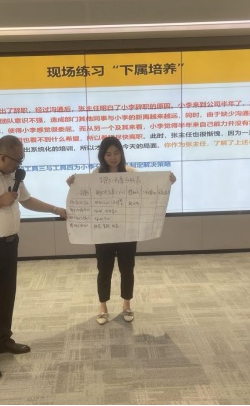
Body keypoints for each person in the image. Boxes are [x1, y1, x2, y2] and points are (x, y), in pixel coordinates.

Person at [0, 135, 67, 379]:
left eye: (22, 160)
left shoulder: (13, 174)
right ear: (2, 157)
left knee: (6, 296)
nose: (20, 165)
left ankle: (2, 341)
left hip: (9, 244)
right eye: (17, 160)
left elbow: (26, 200)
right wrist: (1, 201)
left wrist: (55, 209)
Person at [67, 136, 176, 325]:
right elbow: (86, 194)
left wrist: (168, 182)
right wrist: (72, 184)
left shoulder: (131, 172)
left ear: (121, 153)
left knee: (127, 268)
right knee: (104, 269)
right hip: (104, 232)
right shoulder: (96, 174)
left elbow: (148, 191)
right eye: (108, 154)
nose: (113, 157)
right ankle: (103, 305)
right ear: (102, 156)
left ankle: (126, 304)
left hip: (127, 231)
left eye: (116, 153)